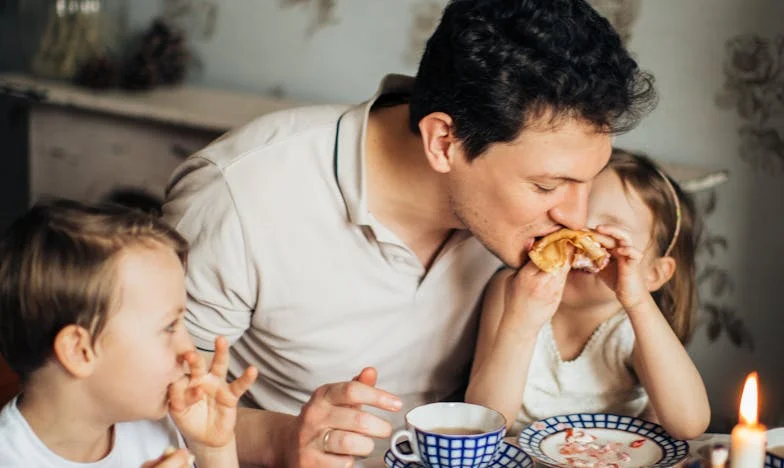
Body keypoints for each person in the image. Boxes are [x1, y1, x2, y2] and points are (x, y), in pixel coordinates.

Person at [162, 0, 657, 464]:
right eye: (547, 185)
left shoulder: (521, 222)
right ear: (443, 141)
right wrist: (284, 438)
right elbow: (152, 404)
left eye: (588, 181)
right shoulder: (239, 195)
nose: (575, 216)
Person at [465, 150, 711, 440]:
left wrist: (639, 302)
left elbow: (689, 424)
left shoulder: (633, 327)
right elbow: (483, 424)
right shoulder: (512, 291)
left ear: (653, 274)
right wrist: (520, 325)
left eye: (610, 234)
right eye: (572, 225)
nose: (581, 241)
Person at [0, 200, 257, 467]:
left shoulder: (155, 423)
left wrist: (213, 451)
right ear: (79, 351)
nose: (190, 352)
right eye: (169, 326)